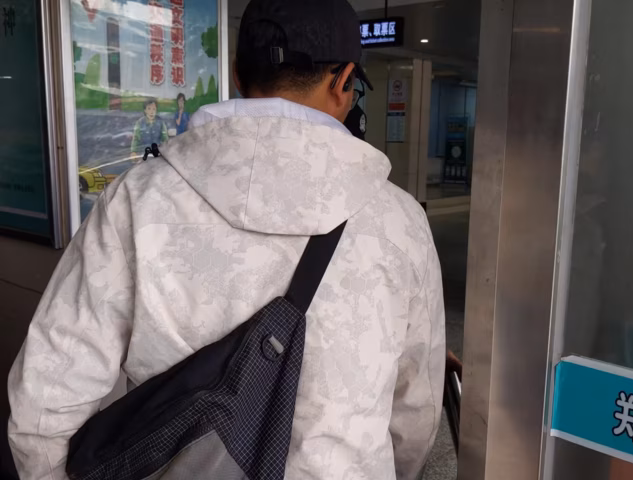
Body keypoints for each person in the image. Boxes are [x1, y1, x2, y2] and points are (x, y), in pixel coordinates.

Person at [7, 0, 446, 479]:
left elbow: (44, 404)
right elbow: (415, 412)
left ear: (237, 74)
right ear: (343, 83)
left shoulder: (136, 201)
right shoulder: (399, 222)